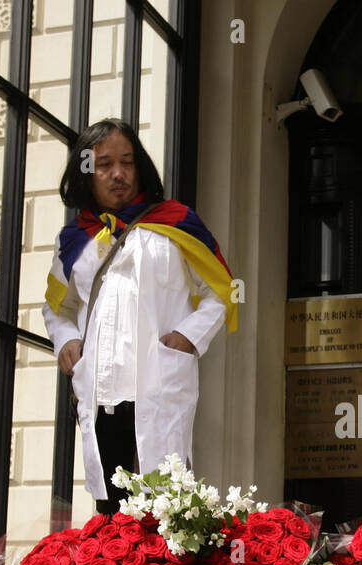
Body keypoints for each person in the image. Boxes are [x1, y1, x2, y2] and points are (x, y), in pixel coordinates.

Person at [42, 119, 236, 515]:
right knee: (111, 510)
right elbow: (58, 306)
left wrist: (187, 337)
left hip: (158, 382)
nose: (118, 174)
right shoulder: (75, 239)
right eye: (104, 164)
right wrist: (66, 340)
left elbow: (221, 291)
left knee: (168, 509)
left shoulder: (177, 222)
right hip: (102, 393)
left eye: (127, 162)